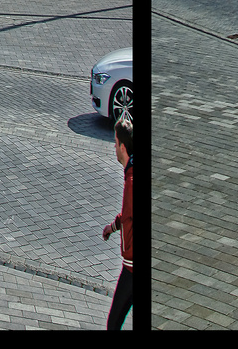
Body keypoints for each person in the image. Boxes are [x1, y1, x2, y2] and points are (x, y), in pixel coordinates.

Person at [101, 114, 135, 330]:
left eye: (114, 142)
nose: (114, 147)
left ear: (122, 146)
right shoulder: (131, 173)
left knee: (113, 324)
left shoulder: (131, 180)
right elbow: (127, 215)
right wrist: (112, 228)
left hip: (132, 268)